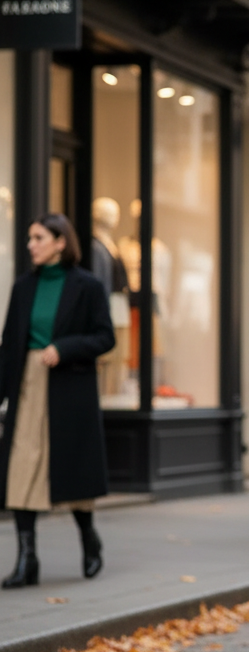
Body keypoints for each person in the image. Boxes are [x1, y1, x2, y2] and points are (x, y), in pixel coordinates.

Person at [0, 214, 115, 588]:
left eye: (38, 237)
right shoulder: (23, 288)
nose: (31, 244)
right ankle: (27, 560)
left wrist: (64, 349)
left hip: (68, 389)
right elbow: (8, 348)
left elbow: (104, 337)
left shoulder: (88, 286)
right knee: (20, 470)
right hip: (28, 387)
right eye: (30, 238)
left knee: (73, 475)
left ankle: (89, 539)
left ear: (60, 242)